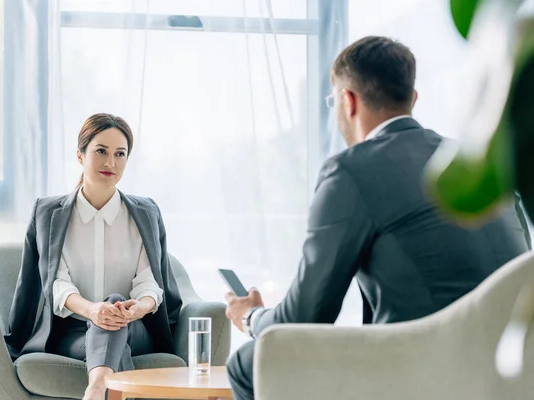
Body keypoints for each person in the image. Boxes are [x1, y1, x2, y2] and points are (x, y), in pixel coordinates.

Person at [224, 36, 531, 400]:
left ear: (347, 100)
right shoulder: (476, 165)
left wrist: (251, 317)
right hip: (515, 368)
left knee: (251, 362)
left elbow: (304, 318)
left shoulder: (350, 170)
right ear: (412, 99)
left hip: (426, 369)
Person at [4, 113, 182, 400]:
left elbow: (151, 284)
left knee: (112, 308)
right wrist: (91, 311)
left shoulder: (145, 213)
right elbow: (57, 284)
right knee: (105, 322)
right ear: (80, 155)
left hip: (134, 328)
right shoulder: (49, 213)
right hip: (71, 333)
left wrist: (136, 309)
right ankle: (101, 386)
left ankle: (96, 389)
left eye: (119, 154)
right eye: (101, 151)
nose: (110, 162)